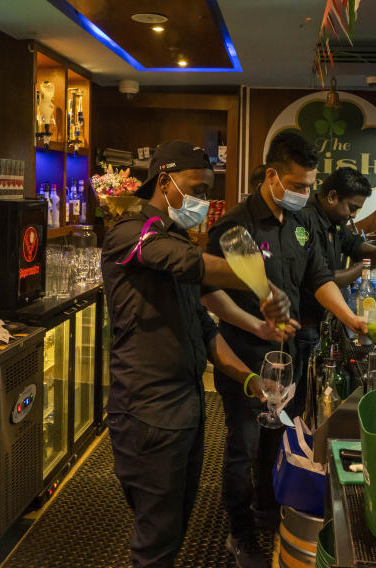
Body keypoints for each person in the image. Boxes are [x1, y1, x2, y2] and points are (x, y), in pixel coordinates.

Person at [101, 141, 293, 568]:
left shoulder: (172, 237)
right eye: (196, 189)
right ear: (164, 182)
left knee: (175, 525)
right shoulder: (131, 234)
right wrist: (261, 286)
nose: (203, 201)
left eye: (208, 192)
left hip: (185, 408)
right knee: (156, 538)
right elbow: (192, 265)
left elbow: (204, 325)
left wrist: (249, 378)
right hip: (146, 412)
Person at [203, 131, 367, 568]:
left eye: (309, 186)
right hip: (246, 356)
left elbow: (319, 279)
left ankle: (267, 511)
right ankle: (238, 535)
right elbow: (207, 295)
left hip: (290, 356)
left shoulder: (302, 223)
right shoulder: (236, 226)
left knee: (278, 443)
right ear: (272, 176)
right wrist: (257, 323)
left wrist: (350, 319)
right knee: (244, 444)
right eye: (297, 186)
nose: (305, 194)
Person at [290, 167, 376, 416]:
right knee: (297, 401)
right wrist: (364, 267)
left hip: (319, 323)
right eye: (351, 207)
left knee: (309, 400)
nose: (352, 216)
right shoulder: (306, 220)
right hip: (302, 326)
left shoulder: (333, 222)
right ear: (332, 196)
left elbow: (354, 245)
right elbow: (319, 279)